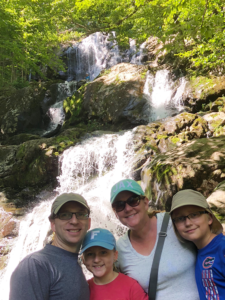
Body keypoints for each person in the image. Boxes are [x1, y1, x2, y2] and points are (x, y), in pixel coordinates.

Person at [110, 179, 200, 300]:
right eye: (119, 205)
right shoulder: (120, 249)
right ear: (116, 214)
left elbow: (211, 242)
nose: (127, 208)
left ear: (146, 202)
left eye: (133, 200)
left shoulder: (174, 222)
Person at [9, 193, 91, 300]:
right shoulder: (35, 265)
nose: (74, 221)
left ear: (89, 223)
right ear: (53, 224)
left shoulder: (77, 262)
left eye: (81, 214)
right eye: (64, 215)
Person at [170, 189, 224, 300]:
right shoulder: (197, 252)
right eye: (180, 218)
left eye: (194, 215)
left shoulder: (222, 249)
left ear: (209, 218)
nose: (188, 223)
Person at [80, 228, 148, 300]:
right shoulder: (82, 291)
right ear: (83, 259)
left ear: (115, 255)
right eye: (90, 254)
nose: (96, 260)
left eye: (103, 253)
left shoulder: (131, 287)